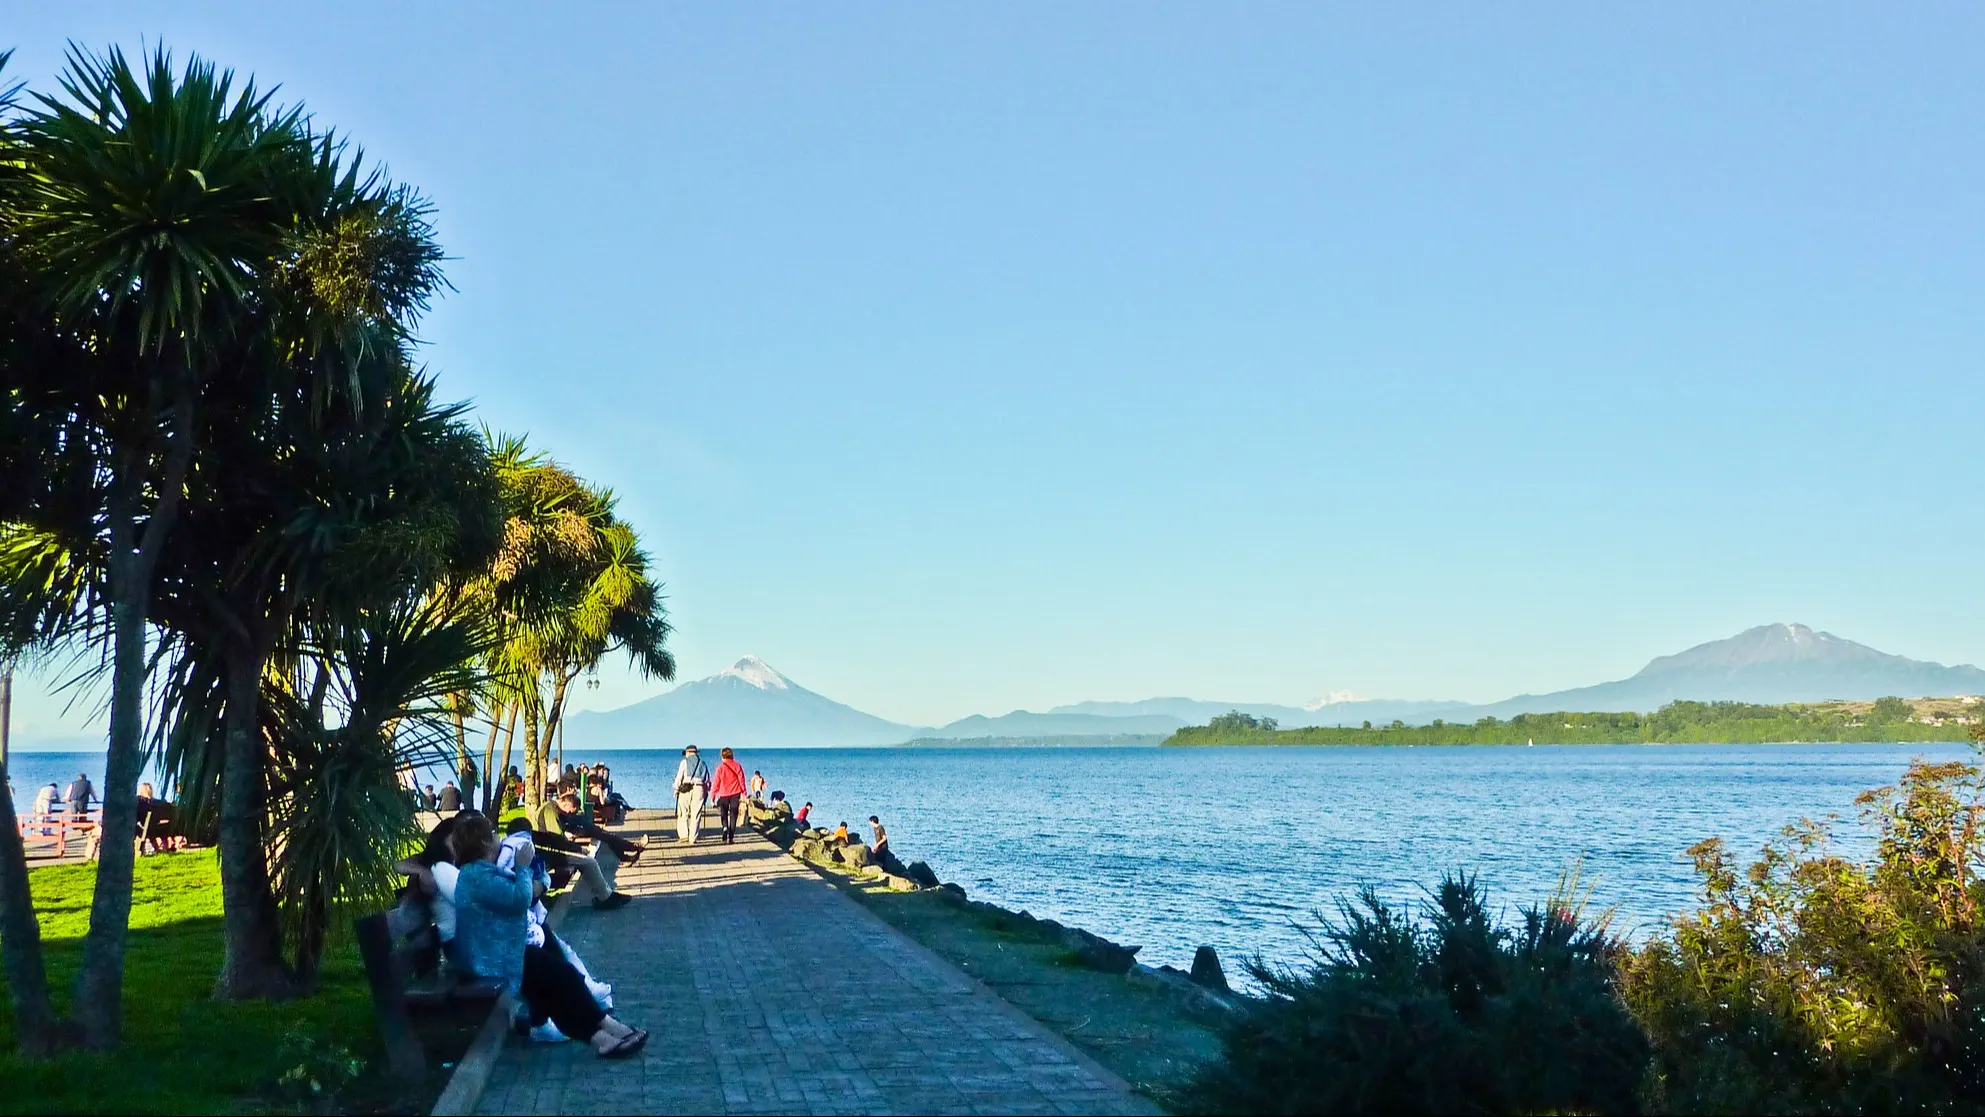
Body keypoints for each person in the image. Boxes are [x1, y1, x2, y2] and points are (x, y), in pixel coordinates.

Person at [444, 813, 648, 1058]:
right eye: (493, 835)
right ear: (485, 843)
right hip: (496, 959)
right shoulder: (476, 876)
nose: (499, 838)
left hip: (503, 951)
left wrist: (530, 874)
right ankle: (604, 1032)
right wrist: (522, 866)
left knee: (558, 985)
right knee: (562, 977)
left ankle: (603, 1035)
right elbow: (519, 899)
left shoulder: (477, 872)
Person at [710, 748, 747, 845]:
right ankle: (731, 838)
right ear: (732, 755)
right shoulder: (737, 766)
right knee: (734, 814)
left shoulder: (720, 768)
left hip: (723, 794)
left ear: (722, 756)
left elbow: (716, 783)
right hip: (735, 793)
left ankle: (725, 827)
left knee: (724, 813)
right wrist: (744, 793)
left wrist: (712, 797)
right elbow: (741, 780)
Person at [673, 745, 709, 845]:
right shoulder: (703, 763)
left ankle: (684, 835)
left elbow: (679, 777)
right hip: (699, 788)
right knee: (696, 814)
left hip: (686, 788)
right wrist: (706, 792)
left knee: (682, 812)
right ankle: (693, 838)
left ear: (687, 753)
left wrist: (676, 788)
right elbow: (707, 780)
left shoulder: (684, 762)